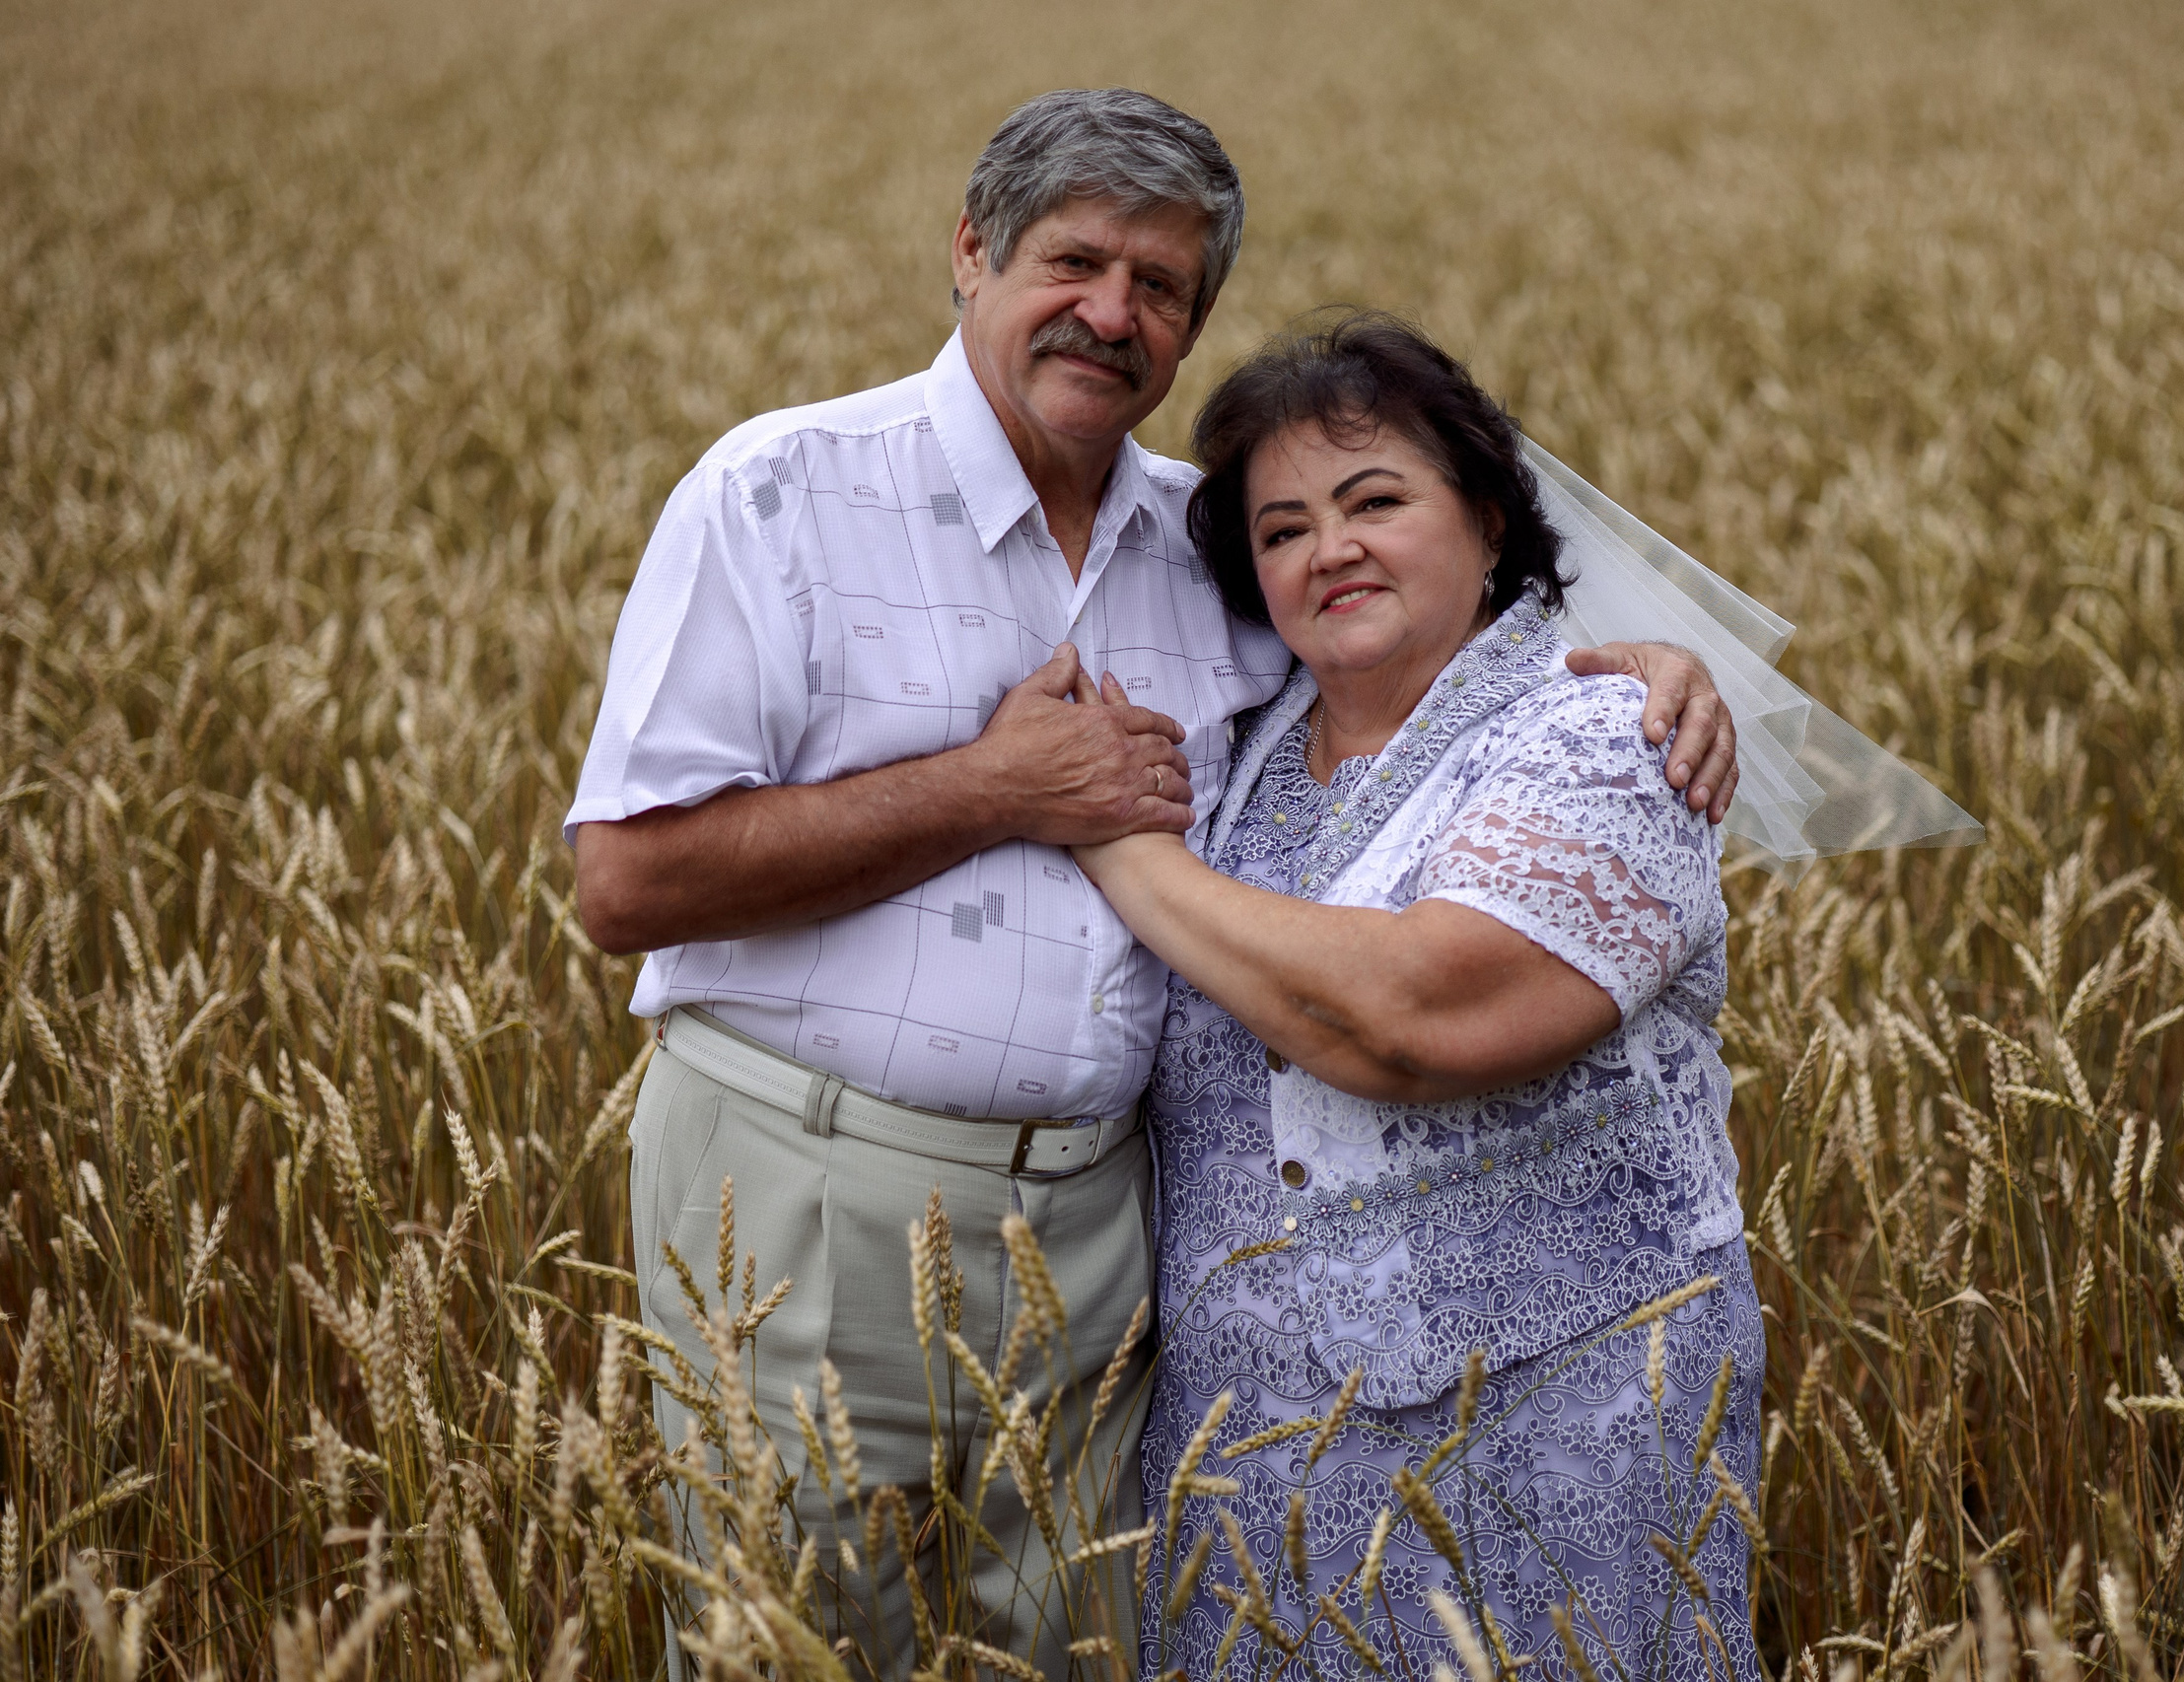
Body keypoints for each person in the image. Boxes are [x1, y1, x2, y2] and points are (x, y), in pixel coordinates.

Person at [565, 91, 1741, 1676]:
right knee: (798, 1646)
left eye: (1162, 287)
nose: (1111, 313)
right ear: (971, 253)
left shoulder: (1205, 551)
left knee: (1089, 1651)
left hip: (1110, 1257)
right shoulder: (780, 494)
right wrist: (993, 788)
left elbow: (1426, 664)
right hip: (813, 1198)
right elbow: (627, 878)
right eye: (1075, 260)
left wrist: (1646, 667)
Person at [1066, 313, 1765, 1680]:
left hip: (1547, 1457)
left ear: (1492, 519)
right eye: (1281, 530)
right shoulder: (1241, 755)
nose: (1329, 549)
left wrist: (1109, 840)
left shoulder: (1607, 743)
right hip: (1247, 1477)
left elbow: (1410, 1015)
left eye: (1375, 501)